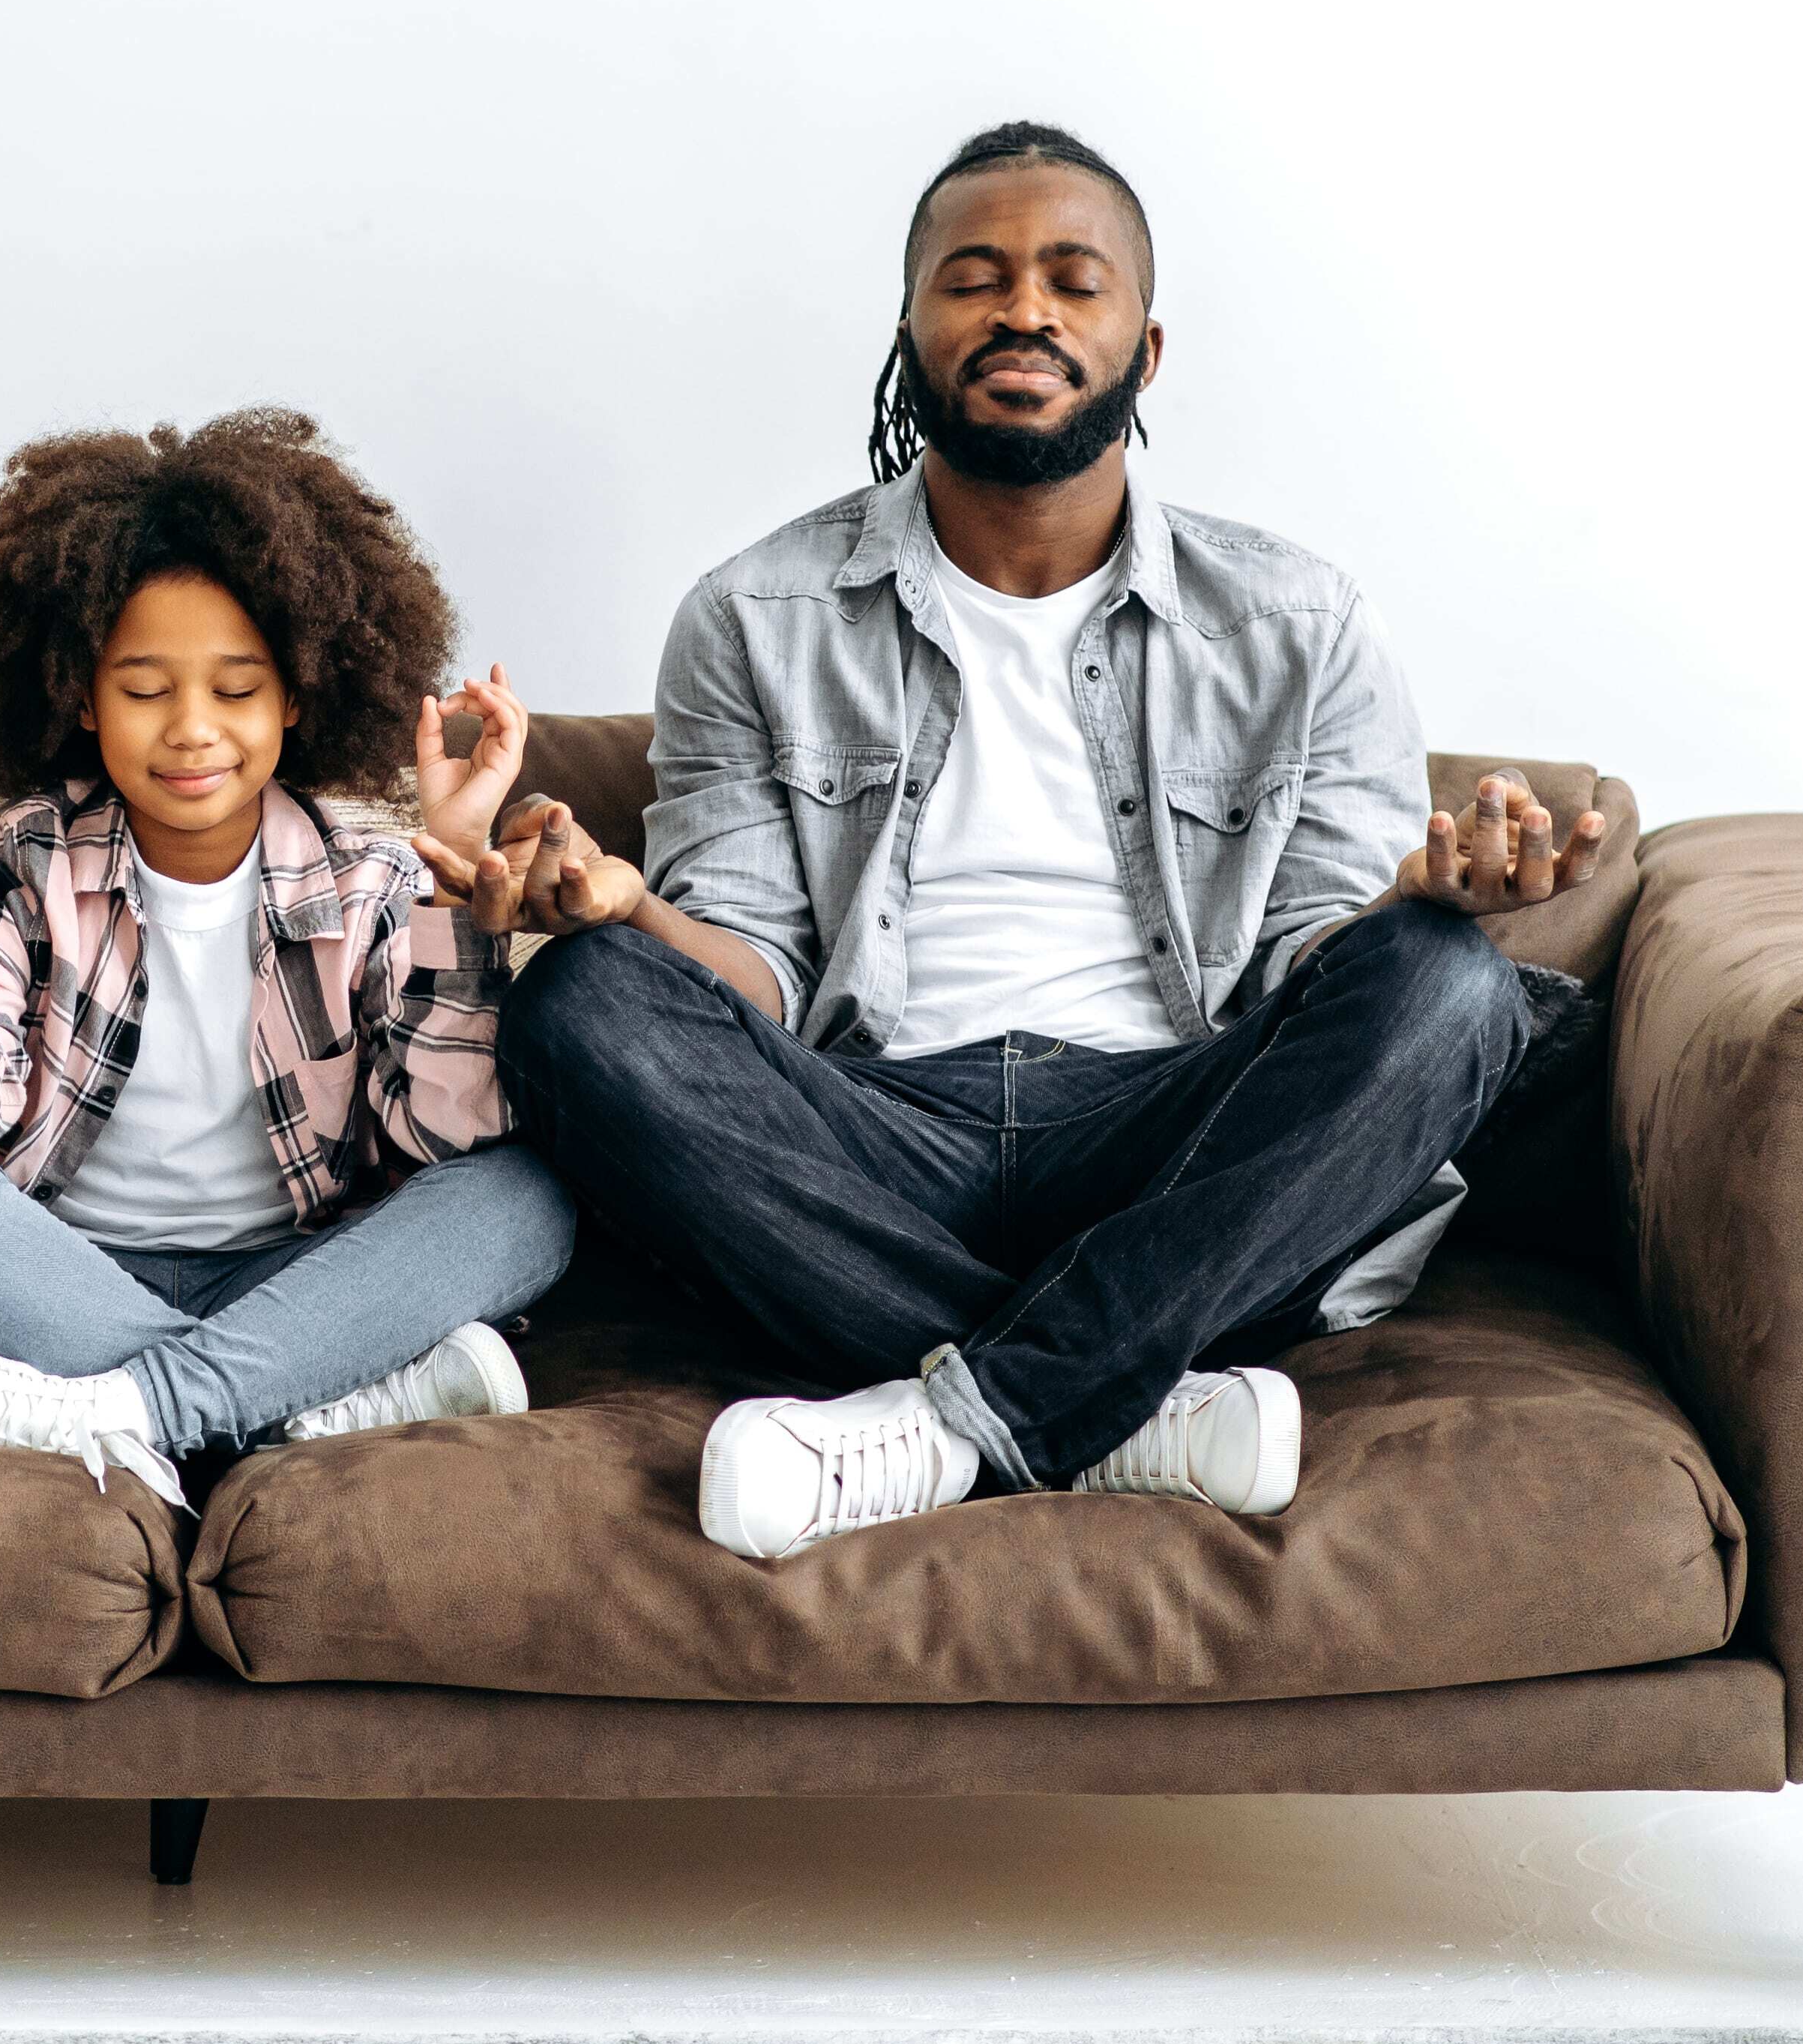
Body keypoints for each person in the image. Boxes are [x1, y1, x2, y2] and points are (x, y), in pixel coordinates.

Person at [491, 124, 1601, 1557]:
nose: (1025, 311)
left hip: (1172, 1133)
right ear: (910, 331)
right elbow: (752, 976)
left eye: (1075, 281)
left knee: (1450, 983)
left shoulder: (1299, 621)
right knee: (580, 1003)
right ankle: (1125, 1400)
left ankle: (952, 1423)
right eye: (977, 278)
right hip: (871, 1140)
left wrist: (1407, 904)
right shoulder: (754, 615)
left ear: (1146, 347)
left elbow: (1303, 977)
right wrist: (628, 910)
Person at [0, 411, 579, 1500]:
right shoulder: (20, 859)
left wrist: (450, 870)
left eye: (235, 688)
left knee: (523, 1197)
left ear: (299, 693)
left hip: (304, 1279)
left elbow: (444, 1141)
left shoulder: (368, 878)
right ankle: (293, 1411)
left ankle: (134, 1415)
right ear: (81, 693)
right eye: (143, 689)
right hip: (63, 1276)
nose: (190, 730)